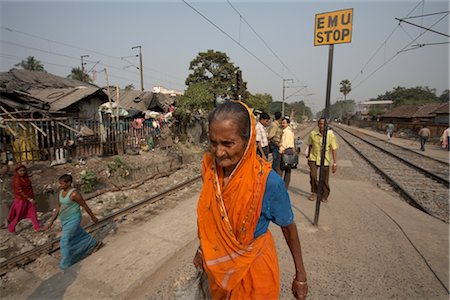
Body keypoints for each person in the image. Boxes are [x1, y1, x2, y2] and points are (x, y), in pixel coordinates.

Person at [193, 101, 308, 299]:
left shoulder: (268, 182)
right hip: (219, 267)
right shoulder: (210, 170)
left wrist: (301, 275)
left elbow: (289, 228)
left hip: (255, 270)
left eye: (228, 143)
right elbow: (211, 218)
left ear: (248, 141)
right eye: (213, 142)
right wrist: (202, 249)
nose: (219, 152)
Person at [44, 174, 101, 270]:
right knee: (79, 234)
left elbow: (85, 206)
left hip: (74, 219)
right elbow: (59, 207)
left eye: (62, 184)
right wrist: (51, 221)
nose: (60, 186)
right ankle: (93, 243)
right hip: (64, 220)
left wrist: (93, 217)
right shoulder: (61, 192)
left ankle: (65, 266)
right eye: (60, 184)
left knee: (64, 242)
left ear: (69, 183)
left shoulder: (75, 194)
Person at [306, 118, 338, 203]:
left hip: (325, 160)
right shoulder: (313, 134)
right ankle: (314, 192)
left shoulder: (330, 136)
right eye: (320, 124)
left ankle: (325, 194)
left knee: (324, 179)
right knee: (313, 175)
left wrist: (335, 163)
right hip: (313, 157)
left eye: (323, 124)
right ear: (318, 124)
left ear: (326, 125)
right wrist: (308, 155)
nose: (321, 126)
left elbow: (334, 149)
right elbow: (310, 145)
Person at [7, 164, 40, 233]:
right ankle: (11, 228)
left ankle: (37, 227)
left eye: (24, 171)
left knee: (33, 213)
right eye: (21, 171)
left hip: (29, 199)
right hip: (21, 200)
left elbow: (30, 188)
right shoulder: (16, 180)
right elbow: (20, 191)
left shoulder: (26, 178)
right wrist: (29, 198)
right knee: (19, 215)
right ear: (17, 171)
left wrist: (32, 198)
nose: (23, 172)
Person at [279, 117, 296, 188]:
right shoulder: (290, 131)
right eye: (282, 123)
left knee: (280, 169)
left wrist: (280, 151)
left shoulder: (286, 132)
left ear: (288, 123)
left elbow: (284, 143)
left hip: (285, 150)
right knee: (288, 169)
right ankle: (285, 186)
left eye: (284, 123)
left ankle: (279, 185)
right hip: (290, 150)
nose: (282, 124)